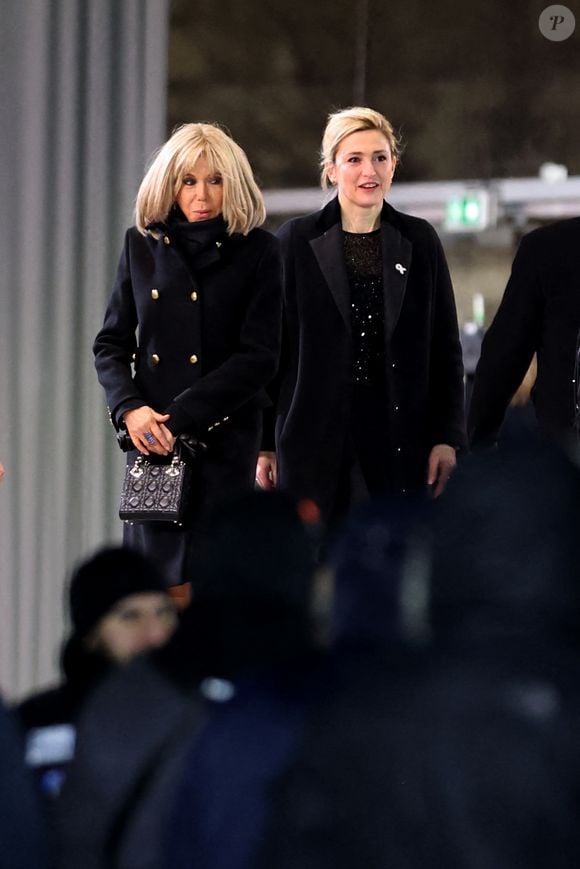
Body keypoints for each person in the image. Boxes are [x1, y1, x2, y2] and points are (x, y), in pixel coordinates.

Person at [94, 123, 283, 585]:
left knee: (218, 583)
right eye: (189, 180)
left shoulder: (260, 251)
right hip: (152, 443)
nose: (202, 195)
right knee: (153, 588)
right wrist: (130, 409)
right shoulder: (140, 245)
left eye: (215, 180)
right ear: (169, 183)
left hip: (223, 440)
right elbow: (111, 343)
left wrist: (178, 418)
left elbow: (259, 356)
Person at [257, 106, 465, 525]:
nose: (368, 170)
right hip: (312, 437)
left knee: (395, 564)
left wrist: (447, 438)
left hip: (398, 435)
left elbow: (445, 348)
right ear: (331, 169)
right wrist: (263, 443)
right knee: (316, 567)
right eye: (354, 159)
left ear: (394, 165)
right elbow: (269, 350)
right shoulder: (295, 241)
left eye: (380, 157)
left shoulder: (419, 240)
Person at [16, 545, 178, 799]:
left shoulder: (200, 713)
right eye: (130, 616)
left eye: (163, 613)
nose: (155, 634)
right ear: (91, 634)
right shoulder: (39, 722)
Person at [468, 217, 580, 449]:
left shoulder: (549, 247)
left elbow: (502, 358)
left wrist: (478, 443)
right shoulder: (546, 248)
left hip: (564, 455)